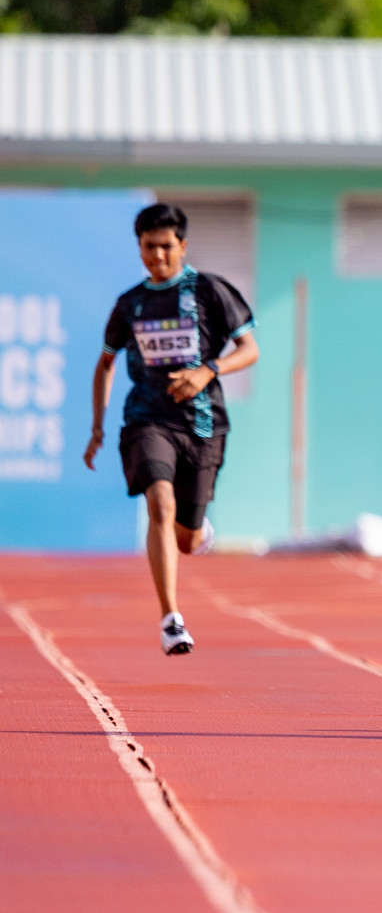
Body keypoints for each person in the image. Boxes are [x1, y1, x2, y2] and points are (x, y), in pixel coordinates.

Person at [84, 204, 259, 655]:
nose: (158, 256)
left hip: (202, 425)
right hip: (147, 419)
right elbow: (105, 365)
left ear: (182, 245)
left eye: (166, 247)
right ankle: (171, 619)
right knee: (158, 500)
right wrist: (98, 428)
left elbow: (250, 350)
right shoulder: (130, 305)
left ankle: (198, 532)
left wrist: (207, 371)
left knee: (187, 538)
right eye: (148, 247)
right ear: (139, 247)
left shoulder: (210, 291)